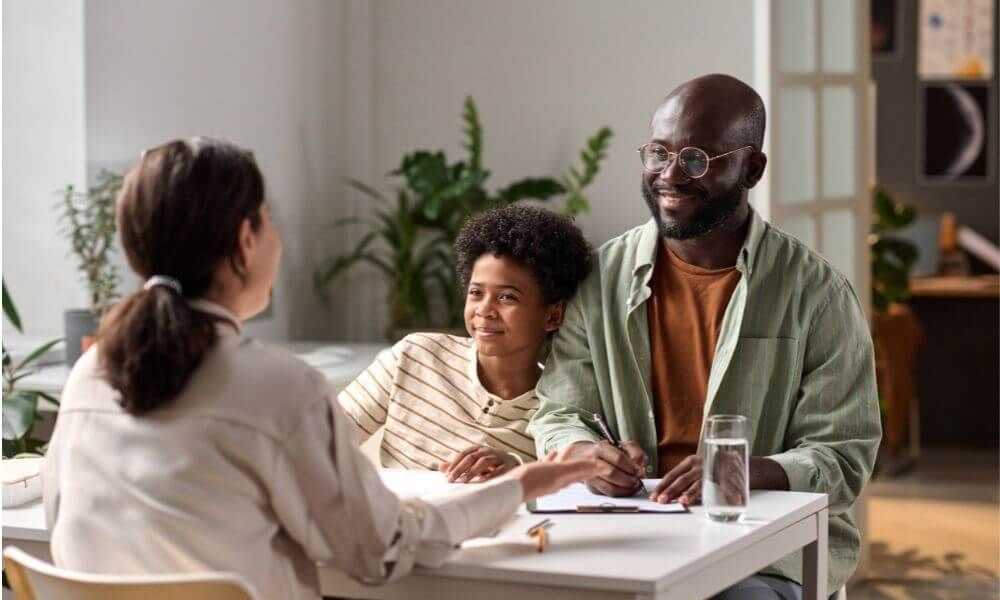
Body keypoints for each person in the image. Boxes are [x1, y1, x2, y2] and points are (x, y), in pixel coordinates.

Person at [42, 137, 597, 600]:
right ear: (244, 241)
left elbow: (58, 524)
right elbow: (381, 552)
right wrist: (522, 485)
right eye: (268, 220)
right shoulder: (280, 387)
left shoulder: (92, 370)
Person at [528, 74, 881, 598]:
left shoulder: (818, 293)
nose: (671, 175)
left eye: (697, 159)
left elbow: (844, 457)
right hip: (623, 534)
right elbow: (559, 413)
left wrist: (740, 470)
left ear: (751, 168)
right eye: (658, 154)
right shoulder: (598, 278)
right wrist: (585, 452)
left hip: (762, 553)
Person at [338, 204, 592, 483]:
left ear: (553, 315)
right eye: (476, 292)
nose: (484, 309)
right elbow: (321, 439)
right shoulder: (415, 356)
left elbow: (562, 499)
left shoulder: (558, 415)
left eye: (507, 297)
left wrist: (515, 471)